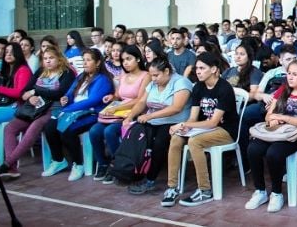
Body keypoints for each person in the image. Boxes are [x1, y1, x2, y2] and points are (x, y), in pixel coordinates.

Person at [162, 52, 239, 207]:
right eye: (197, 68)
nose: (198, 71)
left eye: (202, 68)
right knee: (177, 137)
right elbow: (193, 118)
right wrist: (184, 127)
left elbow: (213, 122)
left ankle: (205, 190)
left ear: (214, 69)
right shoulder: (198, 87)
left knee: (195, 141)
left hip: (225, 131)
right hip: (204, 128)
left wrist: (185, 125)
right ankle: (172, 187)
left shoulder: (224, 88)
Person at [245, 59, 297, 213]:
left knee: (274, 153)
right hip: (277, 132)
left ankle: (276, 193)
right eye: (289, 74)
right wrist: (275, 120)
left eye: (295, 74)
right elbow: (269, 115)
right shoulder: (282, 90)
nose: (290, 77)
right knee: (253, 149)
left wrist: (284, 118)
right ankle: (260, 191)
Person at [0, 45, 75, 179]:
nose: (48, 61)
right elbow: (24, 91)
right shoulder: (40, 71)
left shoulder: (67, 73)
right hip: (33, 109)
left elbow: (58, 93)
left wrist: (36, 91)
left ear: (59, 59)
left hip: (52, 110)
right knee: (9, 128)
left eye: (51, 58)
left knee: (32, 130)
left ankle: (7, 164)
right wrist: (32, 96)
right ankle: (12, 168)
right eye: (45, 58)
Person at [124, 57, 193, 195]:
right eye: (151, 75)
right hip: (154, 121)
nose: (153, 79)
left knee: (159, 142)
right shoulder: (153, 84)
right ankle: (132, 171)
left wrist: (149, 116)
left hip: (174, 121)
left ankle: (150, 179)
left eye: (156, 75)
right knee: (136, 135)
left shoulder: (181, 82)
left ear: (166, 71)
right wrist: (130, 117)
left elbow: (176, 108)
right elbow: (142, 102)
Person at [42, 49, 114, 180]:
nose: (85, 63)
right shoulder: (81, 76)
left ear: (98, 63)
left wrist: (69, 109)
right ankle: (58, 161)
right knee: (50, 127)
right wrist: (66, 98)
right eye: (83, 60)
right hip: (72, 110)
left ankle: (78, 164)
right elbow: (70, 92)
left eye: (88, 60)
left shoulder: (102, 79)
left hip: (91, 113)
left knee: (67, 130)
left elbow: (92, 100)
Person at [90, 45, 151, 183]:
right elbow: (119, 94)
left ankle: (118, 166)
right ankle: (104, 164)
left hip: (134, 113)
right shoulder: (124, 75)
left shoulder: (145, 76)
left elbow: (140, 100)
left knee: (110, 132)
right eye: (123, 60)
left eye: (129, 59)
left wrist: (118, 108)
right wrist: (112, 97)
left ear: (137, 59)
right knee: (94, 131)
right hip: (117, 113)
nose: (125, 63)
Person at [0, 42, 32, 127]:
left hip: (18, 107)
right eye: (7, 52)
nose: (8, 54)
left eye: (12, 52)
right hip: (1, 103)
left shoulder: (23, 70)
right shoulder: (6, 70)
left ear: (18, 53)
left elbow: (20, 92)